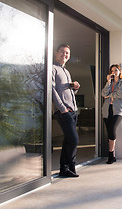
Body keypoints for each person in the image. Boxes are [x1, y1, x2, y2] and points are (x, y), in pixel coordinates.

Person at [52, 43, 80, 177]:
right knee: (74, 140)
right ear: (56, 53)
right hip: (63, 111)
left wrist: (75, 88)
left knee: (68, 140)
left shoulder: (66, 71)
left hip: (73, 110)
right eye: (62, 52)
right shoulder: (53, 68)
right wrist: (62, 109)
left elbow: (69, 94)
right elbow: (51, 90)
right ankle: (68, 166)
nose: (65, 54)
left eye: (67, 53)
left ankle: (66, 168)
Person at [101, 64, 122, 164]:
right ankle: (112, 156)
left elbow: (120, 94)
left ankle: (111, 153)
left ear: (119, 71)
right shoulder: (109, 83)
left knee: (112, 129)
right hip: (107, 110)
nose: (114, 72)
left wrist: (109, 96)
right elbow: (103, 94)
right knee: (109, 132)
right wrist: (108, 82)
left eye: (116, 70)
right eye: (112, 71)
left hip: (118, 110)